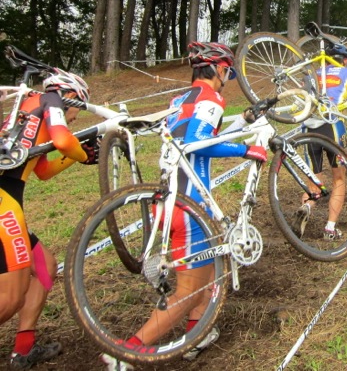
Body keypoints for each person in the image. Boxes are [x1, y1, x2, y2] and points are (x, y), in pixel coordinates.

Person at [101, 42, 268, 370]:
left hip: (172, 202)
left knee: (206, 272)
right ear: (219, 69)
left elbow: (198, 137)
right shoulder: (212, 98)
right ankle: (127, 352)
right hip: (189, 204)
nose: (227, 80)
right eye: (228, 73)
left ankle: (198, 333)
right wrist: (244, 150)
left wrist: (242, 123)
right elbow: (196, 144)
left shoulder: (180, 100)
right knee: (189, 291)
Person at [1, 68, 97, 369]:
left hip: (8, 198)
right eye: (76, 110)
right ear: (70, 97)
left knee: (44, 266)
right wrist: (81, 153)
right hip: (4, 202)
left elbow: (42, 171)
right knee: (11, 297)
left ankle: (24, 348)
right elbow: (64, 140)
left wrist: (77, 155)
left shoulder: (31, 111)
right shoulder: (51, 99)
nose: (74, 119)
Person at [296, 43, 347, 241]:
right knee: (339, 179)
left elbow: (301, 100)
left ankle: (307, 206)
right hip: (333, 128)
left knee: (314, 179)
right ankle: (330, 229)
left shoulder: (312, 74)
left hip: (309, 128)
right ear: (345, 60)